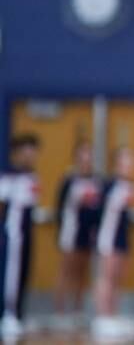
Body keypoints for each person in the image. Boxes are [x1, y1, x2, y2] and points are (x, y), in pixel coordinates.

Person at [91, 146, 134, 342]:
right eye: (125, 162)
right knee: (107, 277)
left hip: (122, 237)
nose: (129, 166)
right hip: (108, 236)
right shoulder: (108, 185)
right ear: (116, 164)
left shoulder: (130, 185)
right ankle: (102, 316)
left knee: (118, 278)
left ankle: (113, 314)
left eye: (131, 162)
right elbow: (98, 212)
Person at [54, 139, 102, 328]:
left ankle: (78, 310)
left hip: (87, 233)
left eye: (89, 154)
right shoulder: (69, 180)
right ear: (76, 157)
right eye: (83, 153)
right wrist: (60, 231)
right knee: (66, 270)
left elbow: (98, 208)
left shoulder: (96, 180)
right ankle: (60, 311)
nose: (86, 158)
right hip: (70, 231)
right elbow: (59, 207)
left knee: (83, 272)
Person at [0, 134, 41, 339]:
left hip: (28, 232)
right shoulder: (9, 175)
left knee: (24, 272)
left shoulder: (32, 176)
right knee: (11, 275)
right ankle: (7, 314)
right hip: (13, 233)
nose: (31, 156)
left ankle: (19, 314)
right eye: (27, 151)